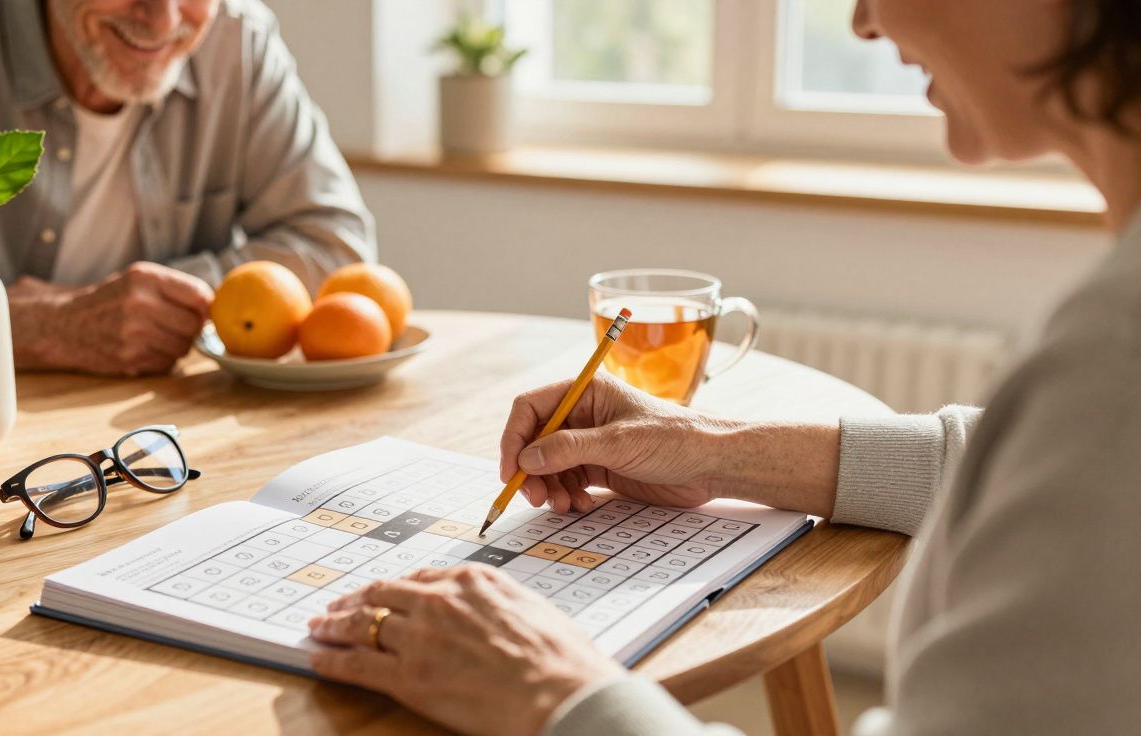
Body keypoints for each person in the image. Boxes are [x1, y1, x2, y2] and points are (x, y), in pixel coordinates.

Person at [305, 0, 1140, 734]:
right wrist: (712, 447)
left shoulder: (1112, 359)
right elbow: (1027, 468)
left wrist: (557, 696)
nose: (862, 21)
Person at [0, 0, 374, 378]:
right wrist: (44, 326)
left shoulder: (241, 45)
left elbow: (334, 246)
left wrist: (138, 307)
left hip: (165, 432)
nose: (164, 20)